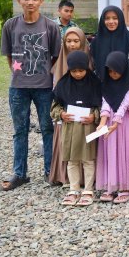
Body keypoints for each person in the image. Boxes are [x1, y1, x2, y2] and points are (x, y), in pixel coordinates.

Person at [0, 0, 61, 191]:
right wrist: (18, 74)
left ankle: (49, 171)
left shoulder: (50, 27)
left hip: (44, 87)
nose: (30, 2)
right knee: (20, 130)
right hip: (18, 87)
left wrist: (45, 76)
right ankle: (20, 173)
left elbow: (55, 56)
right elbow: (9, 54)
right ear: (19, 1)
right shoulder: (10, 25)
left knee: (47, 128)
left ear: (41, 1)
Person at [51, 51, 102, 206]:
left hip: (88, 128)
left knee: (88, 159)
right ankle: (73, 189)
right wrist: (62, 114)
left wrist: (94, 116)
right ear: (69, 70)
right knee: (72, 160)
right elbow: (54, 107)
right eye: (74, 71)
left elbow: (102, 106)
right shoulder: (63, 84)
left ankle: (88, 189)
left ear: (87, 68)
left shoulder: (95, 83)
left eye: (81, 70)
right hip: (70, 128)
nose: (78, 74)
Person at [50, 27, 92, 187]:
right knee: (66, 143)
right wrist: (60, 113)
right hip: (66, 116)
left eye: (76, 41)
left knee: (87, 149)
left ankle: (87, 180)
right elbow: (56, 98)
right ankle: (66, 177)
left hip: (86, 118)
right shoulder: (60, 63)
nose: (72, 44)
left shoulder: (89, 63)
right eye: (68, 41)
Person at [95, 51, 129, 204]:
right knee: (109, 152)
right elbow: (105, 101)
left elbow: (126, 103)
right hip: (109, 121)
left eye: (116, 71)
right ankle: (110, 185)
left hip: (124, 120)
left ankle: (125, 186)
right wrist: (102, 121)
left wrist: (116, 121)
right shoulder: (105, 82)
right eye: (110, 71)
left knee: (124, 151)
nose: (113, 74)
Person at [90, 6, 129, 81]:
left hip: (125, 83)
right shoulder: (96, 41)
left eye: (115, 18)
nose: (111, 22)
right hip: (102, 84)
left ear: (121, 19)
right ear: (102, 20)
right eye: (107, 18)